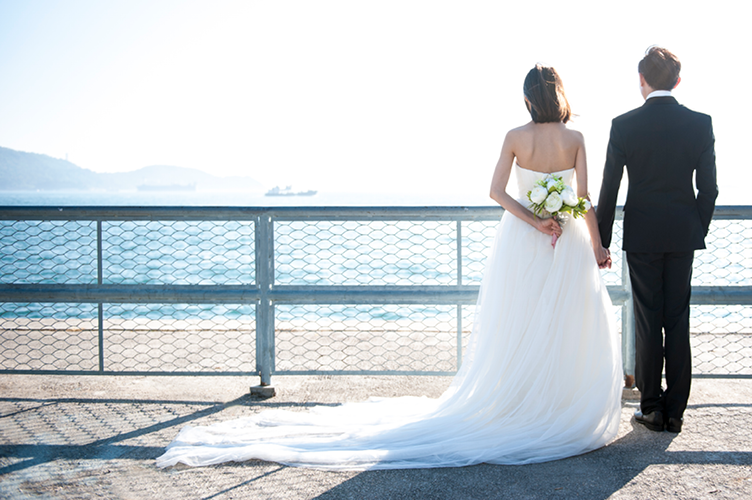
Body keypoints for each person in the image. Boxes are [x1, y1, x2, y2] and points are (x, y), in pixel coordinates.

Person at [156, 65, 622, 470]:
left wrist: (534, 222)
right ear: (560, 95)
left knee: (519, 325)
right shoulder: (576, 138)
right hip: (568, 241)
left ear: (525, 98)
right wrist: (597, 246)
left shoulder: (514, 137)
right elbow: (584, 204)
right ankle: (555, 406)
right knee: (566, 325)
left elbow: (496, 192)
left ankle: (520, 403)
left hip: (526, 240)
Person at [596, 46, 717, 434]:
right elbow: (709, 190)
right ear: (678, 81)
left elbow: (609, 189)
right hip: (684, 234)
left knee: (648, 319)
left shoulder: (624, 125)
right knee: (677, 318)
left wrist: (603, 241)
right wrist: (696, 227)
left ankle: (651, 407)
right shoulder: (700, 123)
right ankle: (676, 411)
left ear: (641, 81)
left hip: (643, 235)